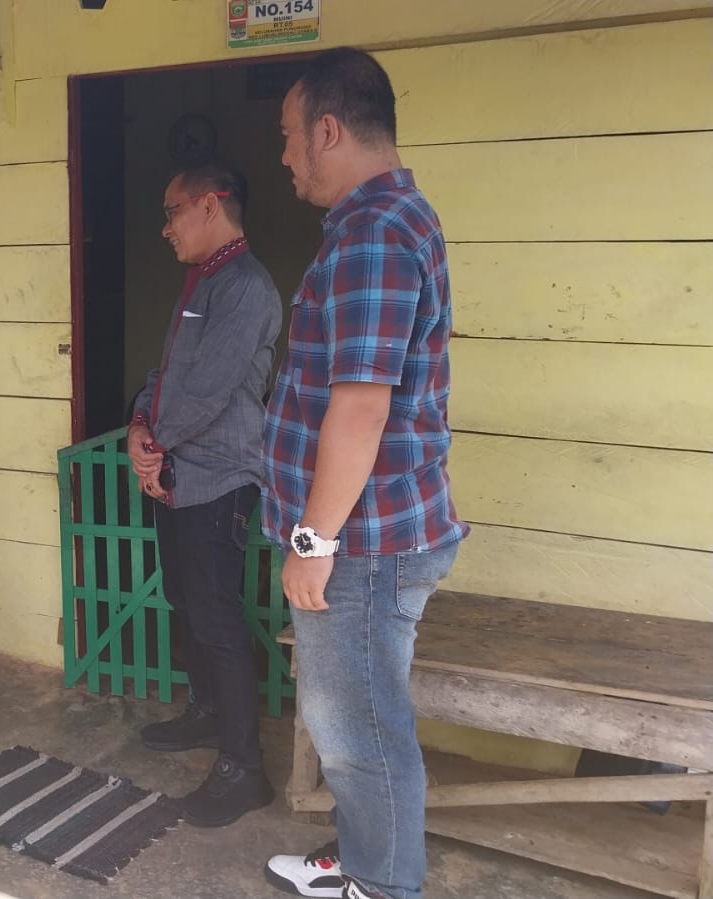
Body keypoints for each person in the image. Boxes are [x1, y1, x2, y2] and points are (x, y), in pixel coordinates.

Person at [260, 48, 468, 899]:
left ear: (328, 129)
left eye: (286, 136)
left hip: (361, 543)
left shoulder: (374, 234)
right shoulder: (381, 221)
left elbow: (359, 408)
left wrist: (312, 540)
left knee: (360, 733)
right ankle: (359, 857)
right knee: (349, 720)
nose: (282, 156)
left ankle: (380, 887)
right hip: (372, 532)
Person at [127, 159, 283, 828]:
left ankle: (243, 767)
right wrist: (139, 422)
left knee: (216, 619)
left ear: (211, 204)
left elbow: (210, 389)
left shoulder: (244, 288)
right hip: (178, 472)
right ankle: (207, 711)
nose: (164, 228)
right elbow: (167, 376)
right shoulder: (201, 281)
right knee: (185, 600)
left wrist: (152, 443)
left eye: (170, 211)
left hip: (217, 478)